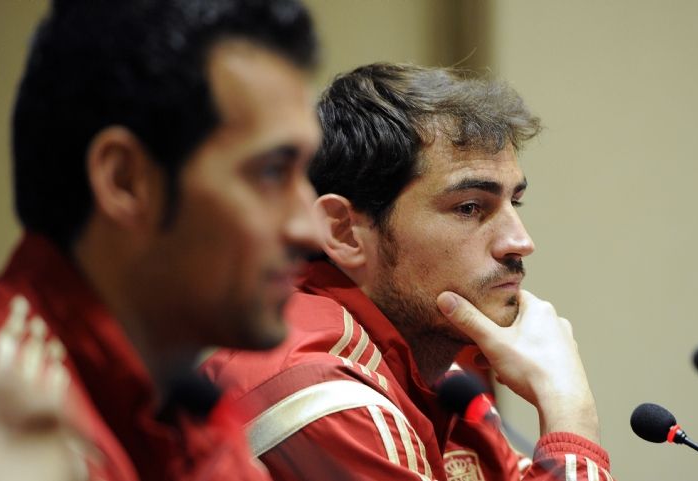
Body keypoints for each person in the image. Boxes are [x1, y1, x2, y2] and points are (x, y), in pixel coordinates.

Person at [203, 63, 615, 481]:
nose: (520, 242)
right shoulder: (324, 393)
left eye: (516, 203)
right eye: (470, 207)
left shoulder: (441, 379)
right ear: (344, 232)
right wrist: (568, 408)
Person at [0, 0, 321, 479]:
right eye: (271, 172)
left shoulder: (186, 412)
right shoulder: (15, 437)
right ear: (125, 181)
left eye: (304, 174)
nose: (310, 229)